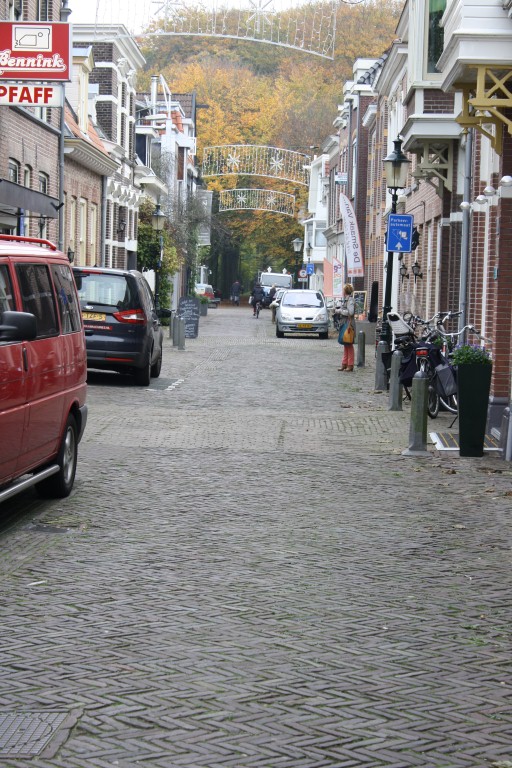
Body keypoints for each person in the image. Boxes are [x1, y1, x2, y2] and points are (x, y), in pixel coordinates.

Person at [335, 283, 355, 371]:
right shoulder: (346, 300)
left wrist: (340, 311)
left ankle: (350, 364)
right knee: (345, 344)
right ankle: (344, 363)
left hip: (348, 324)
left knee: (349, 344)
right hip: (344, 323)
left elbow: (350, 312)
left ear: (345, 291)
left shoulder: (350, 300)